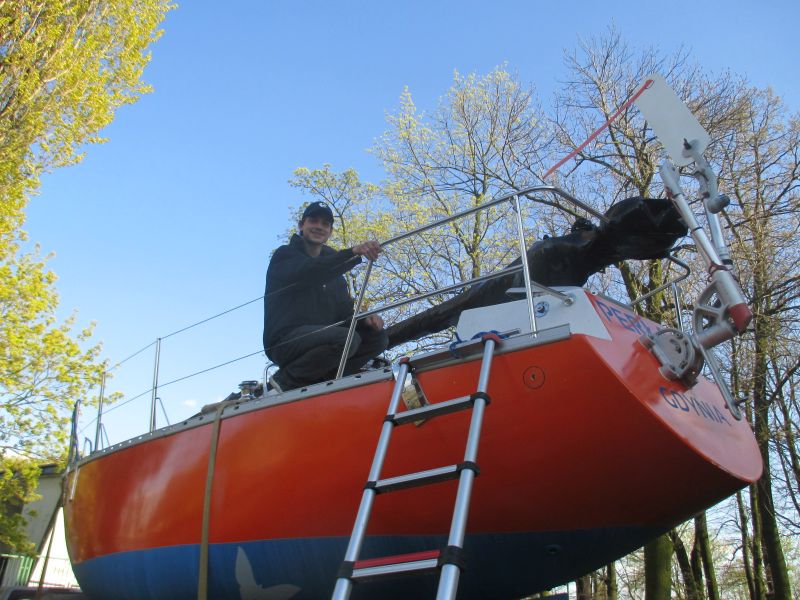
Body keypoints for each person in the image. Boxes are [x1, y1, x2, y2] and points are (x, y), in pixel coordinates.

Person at [262, 201, 389, 391]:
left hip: (322, 339)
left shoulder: (336, 276)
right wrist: (353, 253)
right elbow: (311, 271)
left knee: (378, 338)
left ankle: (325, 380)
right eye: (313, 221)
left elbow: (344, 314)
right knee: (346, 339)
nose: (319, 227)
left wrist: (366, 321)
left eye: (325, 224)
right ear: (301, 225)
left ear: (330, 231)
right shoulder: (285, 256)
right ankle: (284, 382)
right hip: (285, 340)